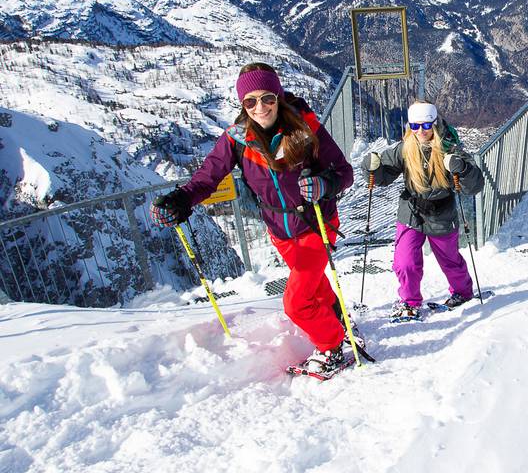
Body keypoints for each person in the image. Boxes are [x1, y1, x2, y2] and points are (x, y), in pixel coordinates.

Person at [150, 63, 354, 373]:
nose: (261, 107)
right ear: (242, 104)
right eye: (250, 101)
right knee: (312, 284)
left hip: (316, 225)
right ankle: (338, 319)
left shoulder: (305, 129)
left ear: (278, 97)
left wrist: (324, 184)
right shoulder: (237, 139)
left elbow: (344, 172)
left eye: (268, 98)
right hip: (280, 231)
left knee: (296, 303)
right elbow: (208, 177)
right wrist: (181, 200)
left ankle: (332, 345)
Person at [363, 100, 484, 321]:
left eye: (426, 125)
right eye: (415, 126)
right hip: (412, 212)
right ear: (410, 126)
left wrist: (463, 169)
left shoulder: (449, 150)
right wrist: (371, 168)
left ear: (434, 124)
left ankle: (463, 292)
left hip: (442, 213)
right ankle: (409, 301)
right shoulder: (405, 149)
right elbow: (383, 177)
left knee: (450, 260)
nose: (421, 131)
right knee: (405, 262)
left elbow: (474, 186)